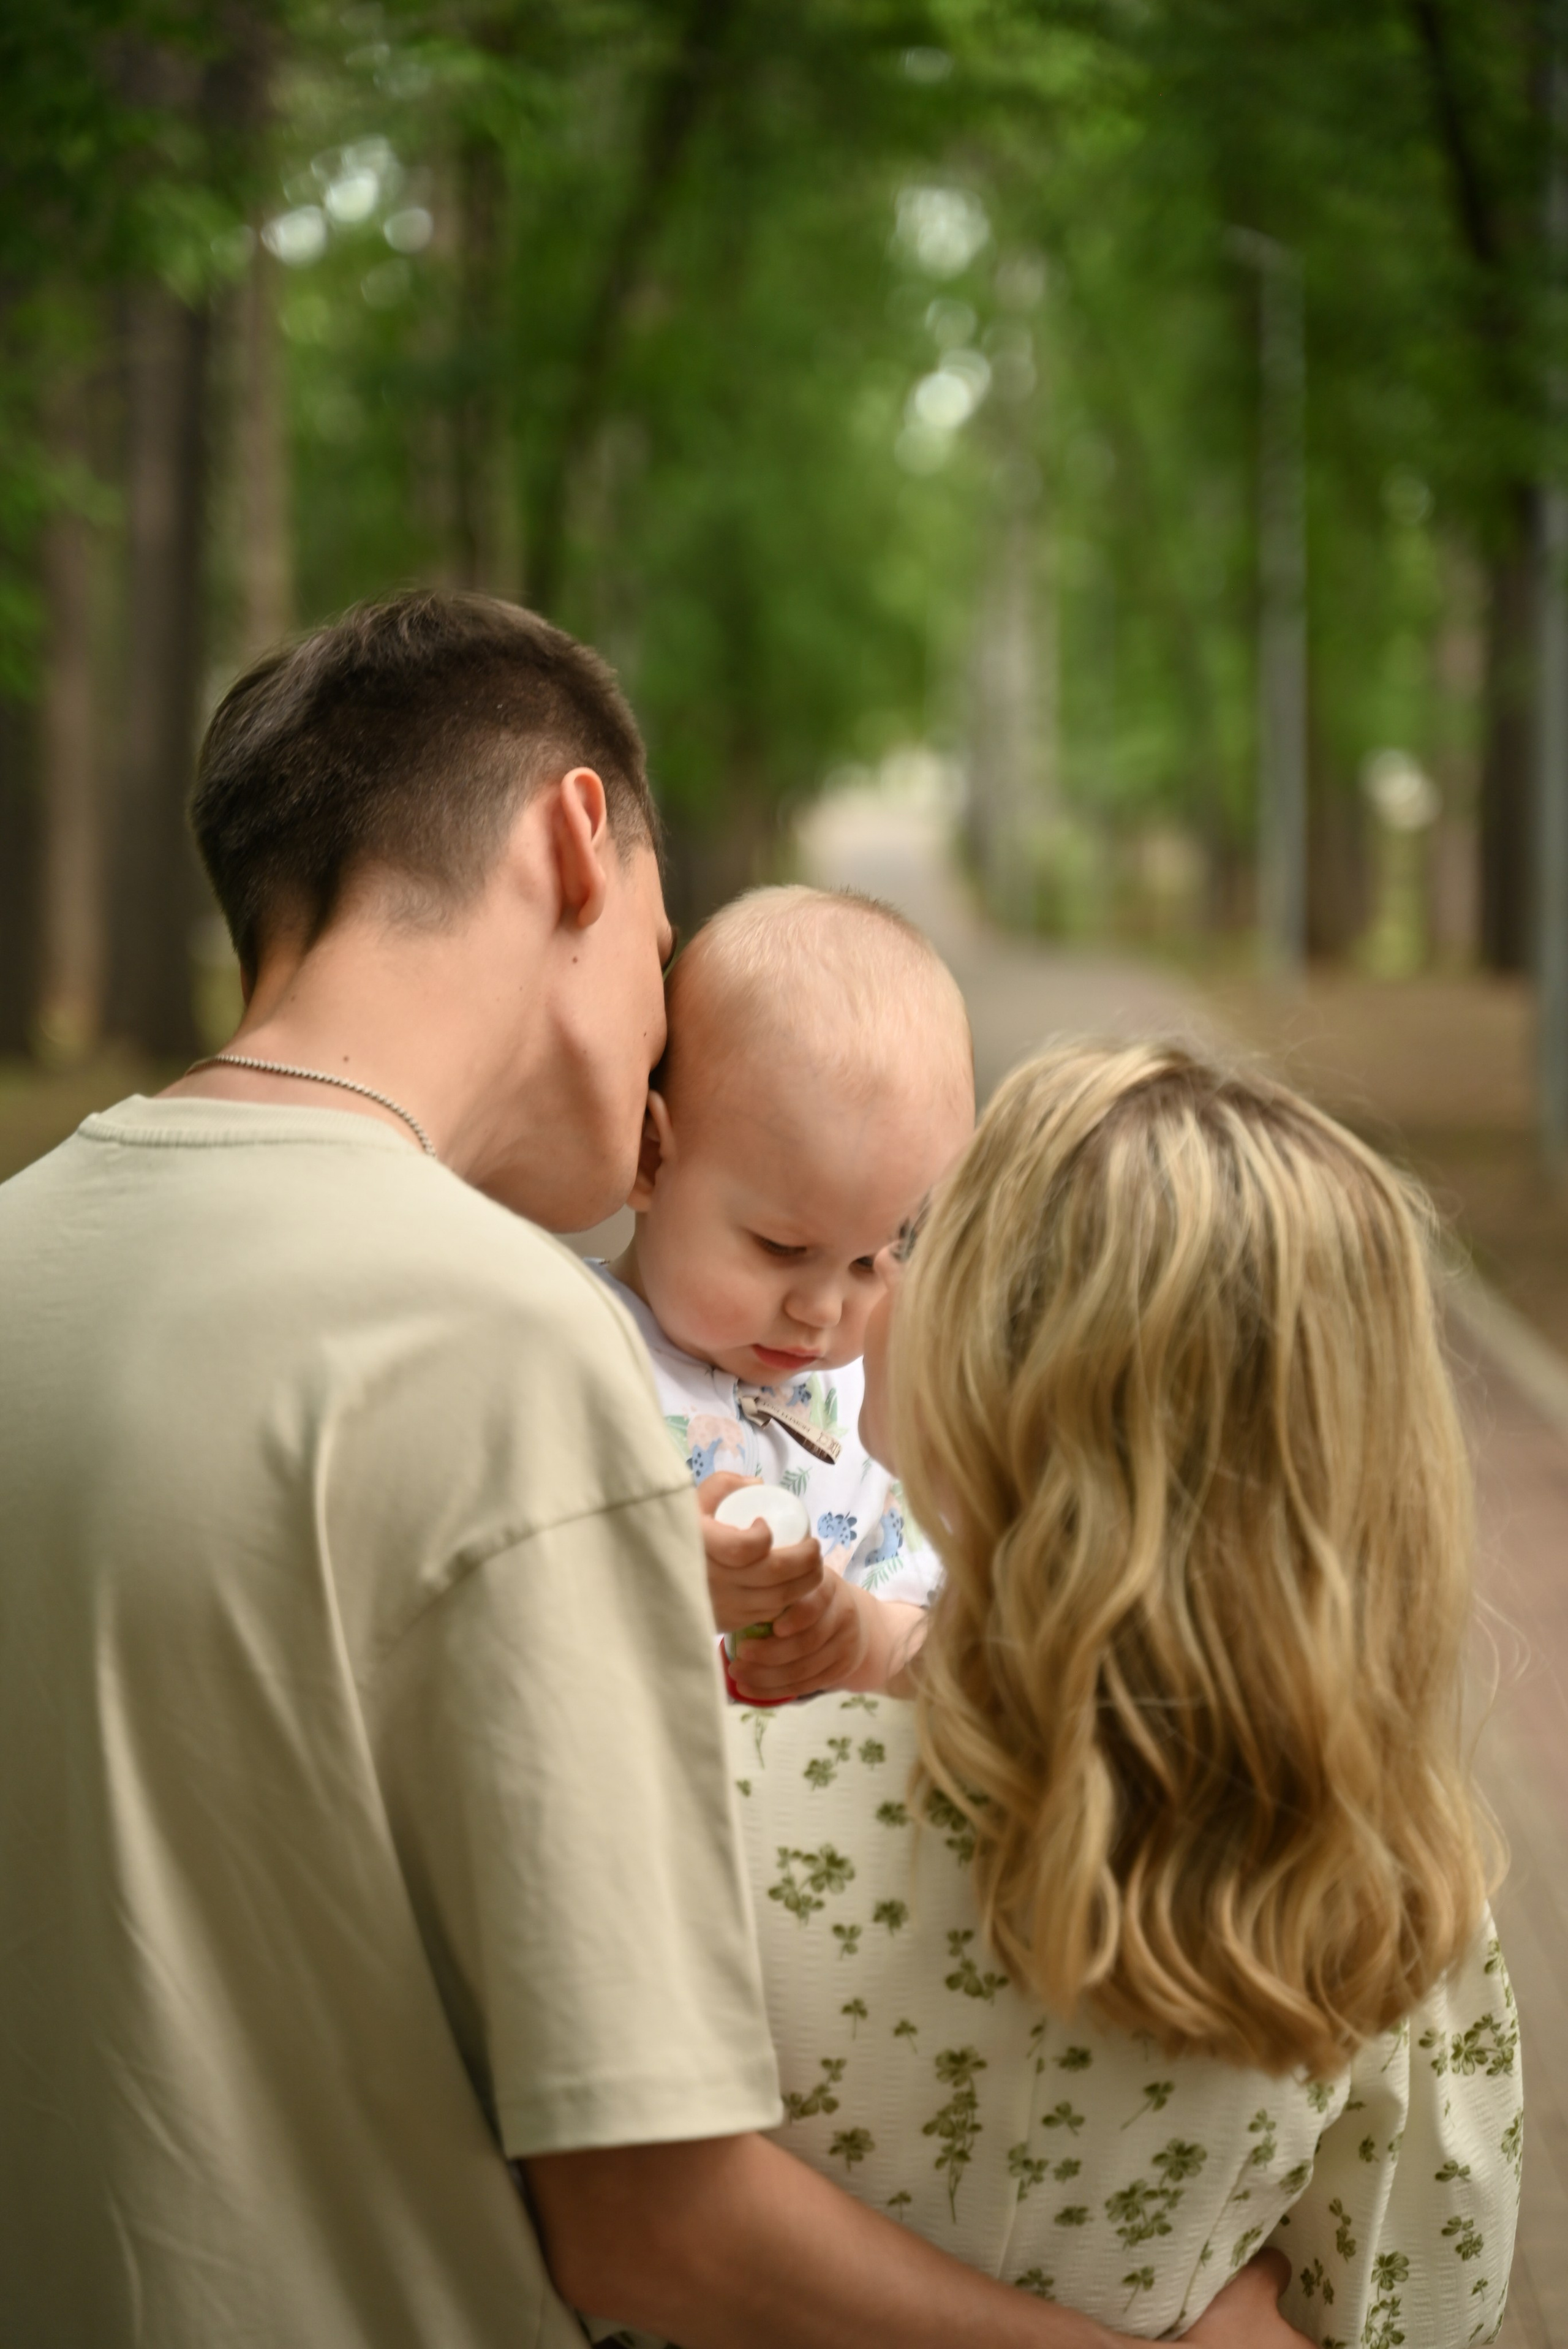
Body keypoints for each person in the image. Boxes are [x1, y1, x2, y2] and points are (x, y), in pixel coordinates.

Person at [0, 593, 1304, 2349]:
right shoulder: (511, 1343)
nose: (664, 1057)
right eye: (666, 948)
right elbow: (656, 2224)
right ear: (576, 839)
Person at [725, 1044, 1522, 2344]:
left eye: (924, 1239)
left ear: (1002, 1379)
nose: (882, 1275)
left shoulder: (728, 1808)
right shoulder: (1396, 1902)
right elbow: (1415, 2302)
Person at [594, 884, 974, 1702]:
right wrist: (646, 1573)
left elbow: (954, 1635)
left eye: (873, 1263)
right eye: (783, 1248)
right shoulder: (568, 1352)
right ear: (652, 1159)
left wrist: (867, 1642)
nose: (823, 1311)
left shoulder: (878, 1404)